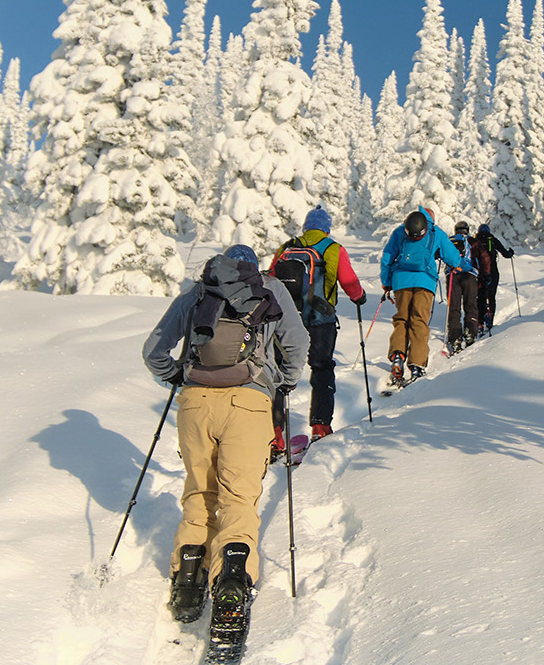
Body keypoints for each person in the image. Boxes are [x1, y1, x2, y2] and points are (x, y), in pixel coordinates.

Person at [142, 245, 309, 631]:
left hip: (195, 403)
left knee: (200, 490)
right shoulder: (270, 287)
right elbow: (297, 343)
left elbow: (154, 351)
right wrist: (282, 381)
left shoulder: (198, 292)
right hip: (250, 401)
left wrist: (177, 376)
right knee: (239, 495)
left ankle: (188, 580)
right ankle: (232, 579)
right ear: (254, 267)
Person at [270, 207, 366, 443]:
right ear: (326, 228)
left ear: (306, 226)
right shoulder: (334, 249)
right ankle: (320, 426)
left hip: (286, 321)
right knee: (322, 369)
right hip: (320, 321)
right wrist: (359, 297)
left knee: (278, 372)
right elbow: (349, 282)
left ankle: (274, 433)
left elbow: (271, 277)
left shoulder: (286, 247)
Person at [379, 207, 470, 386]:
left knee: (401, 319)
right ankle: (417, 365)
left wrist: (387, 281)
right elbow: (453, 258)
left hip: (400, 281)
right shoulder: (436, 232)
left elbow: (388, 256)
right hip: (425, 282)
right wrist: (462, 265)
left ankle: (398, 356)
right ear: (432, 218)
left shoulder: (401, 230)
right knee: (419, 321)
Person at [471, 221, 515, 335]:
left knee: (480, 296)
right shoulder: (493, 240)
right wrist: (511, 253)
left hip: (480, 273)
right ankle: (490, 319)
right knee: (491, 296)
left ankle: (480, 322)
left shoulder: (475, 242)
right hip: (493, 273)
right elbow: (505, 254)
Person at [446, 220, 480, 351]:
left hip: (453, 276)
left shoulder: (449, 241)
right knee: (470, 304)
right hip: (470, 275)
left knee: (454, 307)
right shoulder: (472, 241)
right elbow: (483, 258)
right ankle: (470, 333)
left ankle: (455, 338)